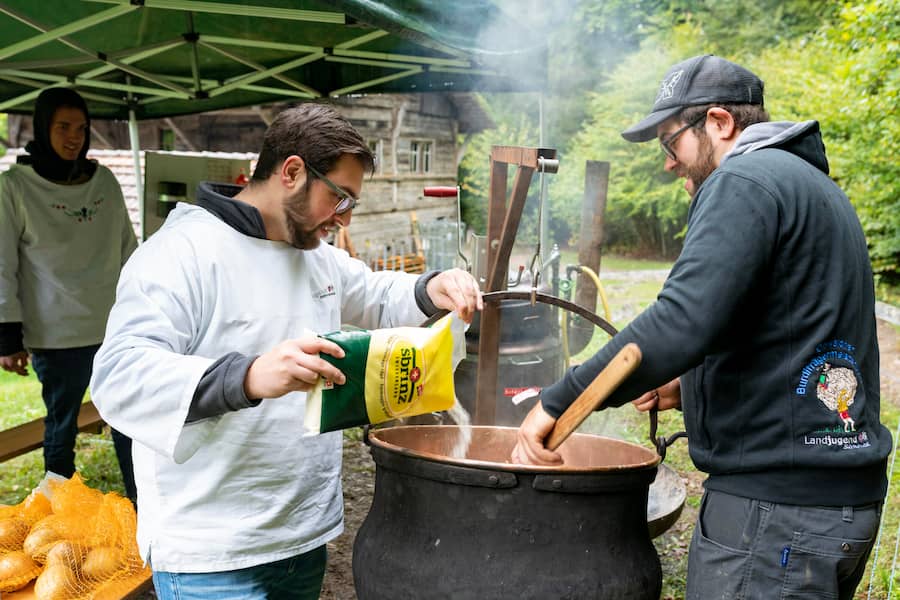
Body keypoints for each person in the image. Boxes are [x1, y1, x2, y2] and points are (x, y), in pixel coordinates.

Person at [512, 54, 891, 599]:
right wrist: (688, 387)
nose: (669, 164)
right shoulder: (812, 187)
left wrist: (559, 400)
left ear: (718, 122)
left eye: (672, 142)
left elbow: (681, 319)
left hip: (776, 516)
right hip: (835, 503)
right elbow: (785, 335)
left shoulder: (745, 178)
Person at [89, 103, 483, 599]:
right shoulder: (181, 253)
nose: (343, 220)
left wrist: (433, 288)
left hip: (302, 536)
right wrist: (248, 376)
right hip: (213, 554)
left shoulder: (316, 257)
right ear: (292, 171)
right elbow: (119, 375)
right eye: (339, 198)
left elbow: (377, 294)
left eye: (352, 205)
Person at [0, 87, 138, 503]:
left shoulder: (105, 182)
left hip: (113, 327)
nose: (73, 136)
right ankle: (58, 516)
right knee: (60, 430)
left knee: (129, 422)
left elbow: (128, 250)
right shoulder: (14, 187)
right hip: (54, 335)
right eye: (63, 127)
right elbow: (2, 262)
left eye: (81, 128)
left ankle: (143, 505)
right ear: (44, 127)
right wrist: (7, 337)